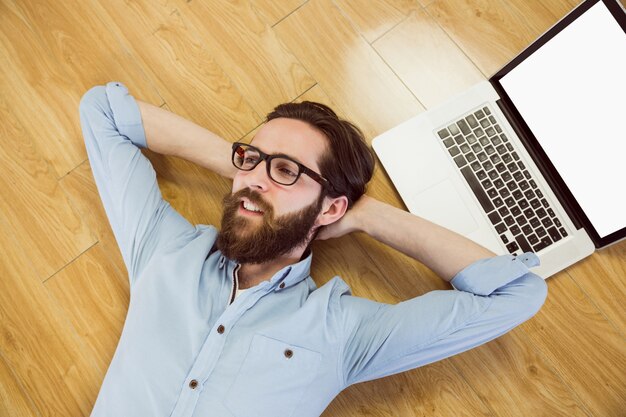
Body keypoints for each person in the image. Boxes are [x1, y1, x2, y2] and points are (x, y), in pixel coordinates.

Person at [79, 82, 547, 417]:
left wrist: (367, 216)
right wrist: (249, 170)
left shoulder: (341, 332)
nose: (256, 178)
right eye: (252, 159)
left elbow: (515, 294)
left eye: (287, 171)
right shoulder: (166, 251)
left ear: (330, 208)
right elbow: (102, 111)